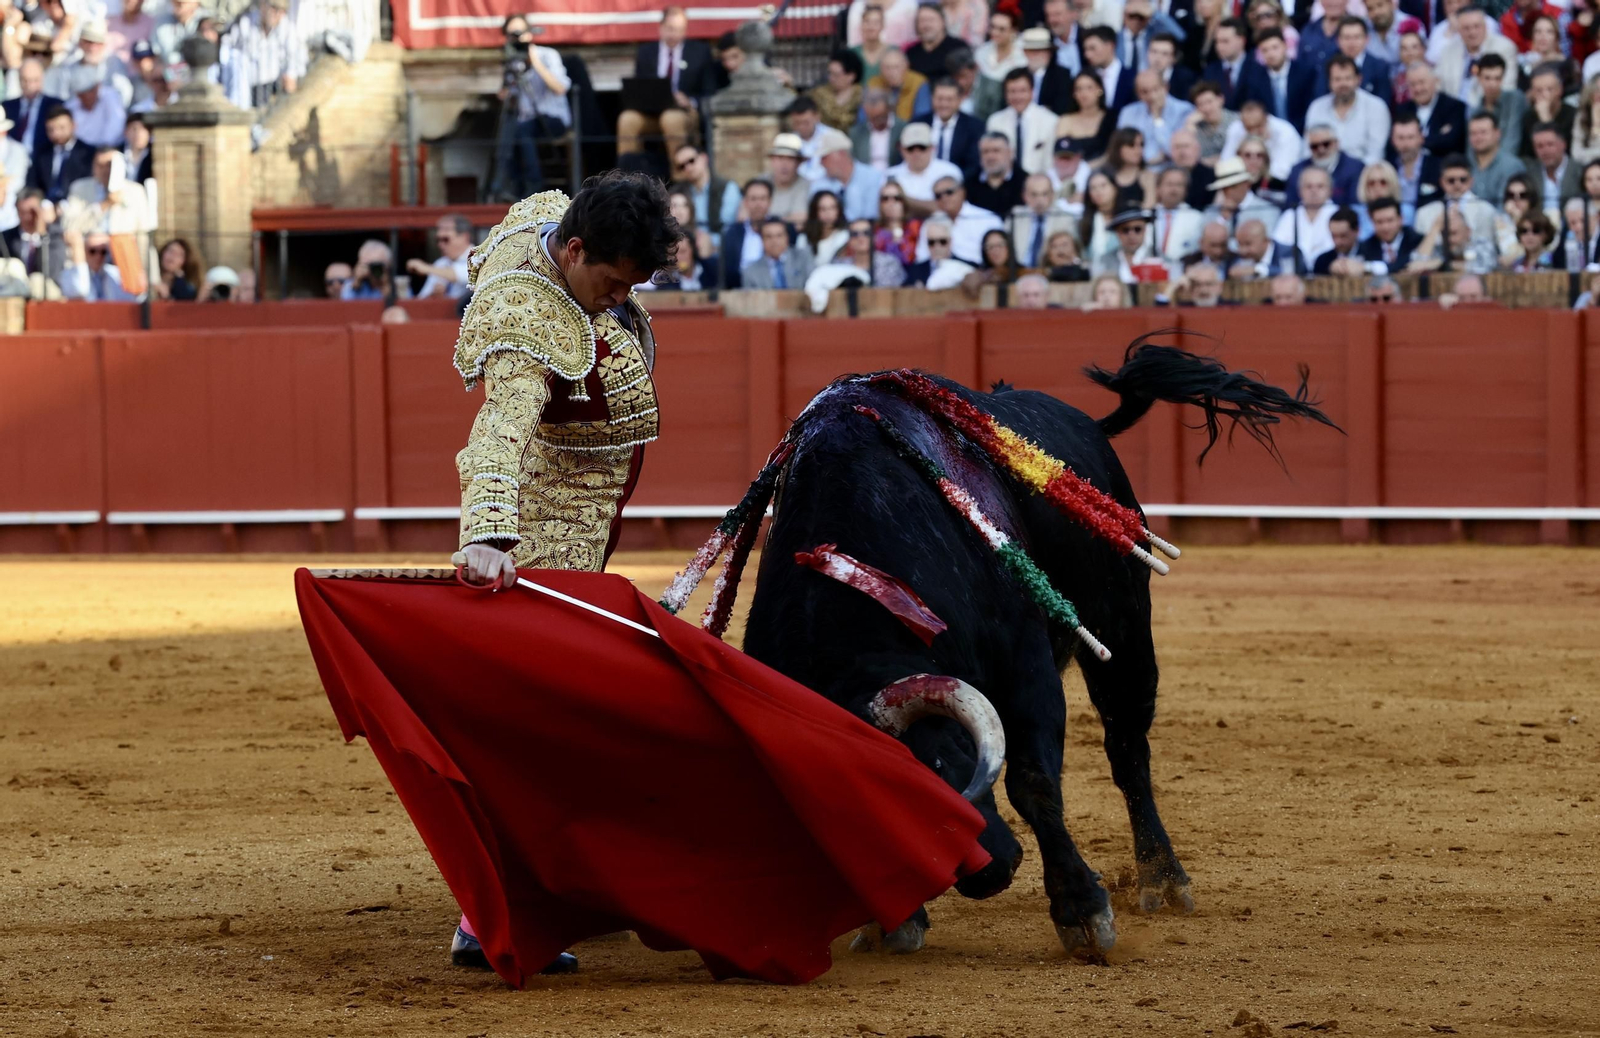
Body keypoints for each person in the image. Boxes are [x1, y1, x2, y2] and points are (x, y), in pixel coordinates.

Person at [448, 173, 679, 972]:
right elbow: (500, 430)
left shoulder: (552, 217)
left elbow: (536, 213)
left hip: (585, 519)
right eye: (611, 283)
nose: (617, 301)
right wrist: (487, 535)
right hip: (543, 533)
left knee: (556, 716)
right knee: (545, 721)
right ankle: (493, 915)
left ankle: (532, 891)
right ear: (574, 252)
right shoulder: (523, 317)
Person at [490, 14, 570, 203]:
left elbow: (560, 87)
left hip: (552, 118)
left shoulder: (547, 55)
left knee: (521, 129)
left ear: (530, 33)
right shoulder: (512, 60)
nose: (516, 38)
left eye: (519, 32)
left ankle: (534, 186)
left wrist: (535, 63)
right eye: (511, 34)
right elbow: (509, 97)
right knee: (509, 129)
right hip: (524, 121)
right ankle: (509, 187)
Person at [616, 7, 715, 160]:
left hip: (684, 113)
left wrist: (690, 101)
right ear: (660, 27)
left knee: (670, 118)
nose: (674, 34)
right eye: (670, 28)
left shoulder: (700, 52)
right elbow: (640, 87)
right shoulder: (646, 52)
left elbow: (709, 90)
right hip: (651, 113)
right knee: (627, 119)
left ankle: (680, 177)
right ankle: (628, 177)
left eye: (679, 30)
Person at [219, 0, 307, 110]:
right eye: (274, 8)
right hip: (244, 88)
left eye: (282, 10)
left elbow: (294, 59)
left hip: (272, 89)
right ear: (263, 5)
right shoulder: (246, 22)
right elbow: (228, 50)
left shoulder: (288, 29)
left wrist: (290, 75)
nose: (278, 14)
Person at [1304, 56, 1389, 166]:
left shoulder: (1376, 107)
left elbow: (1375, 155)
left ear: (1358, 79)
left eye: (1348, 78)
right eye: (1337, 79)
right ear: (1329, 82)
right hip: (1322, 174)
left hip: (1362, 174)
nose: (1343, 84)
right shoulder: (1317, 107)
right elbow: (1307, 150)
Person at [1435, 5, 1519, 99]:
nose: (1472, 32)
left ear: (1485, 27)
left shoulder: (1504, 48)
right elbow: (1438, 87)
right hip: (1453, 110)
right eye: (1466, 28)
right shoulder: (1448, 51)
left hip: (1488, 109)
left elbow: (1507, 89)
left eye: (1476, 26)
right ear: (1459, 30)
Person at [985, 67, 1057, 177]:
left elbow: (1050, 164)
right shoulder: (995, 121)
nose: (1017, 96)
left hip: (1038, 185)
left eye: (1022, 91)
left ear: (1032, 91)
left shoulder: (1050, 121)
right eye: (1012, 91)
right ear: (1005, 94)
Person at [916, 173, 1001, 264]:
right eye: (938, 195)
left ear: (962, 192)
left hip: (978, 273)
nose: (944, 198)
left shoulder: (987, 219)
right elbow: (922, 256)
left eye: (949, 192)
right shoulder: (931, 222)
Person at [1117, 70, 1194, 167]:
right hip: (1137, 169)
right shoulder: (1128, 113)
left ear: (1165, 87)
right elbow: (1122, 149)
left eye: (1156, 89)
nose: (1151, 96)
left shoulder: (1184, 110)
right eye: (1145, 92)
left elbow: (1174, 151)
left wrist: (1157, 118)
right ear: (1138, 94)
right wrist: (1148, 161)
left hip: (1172, 169)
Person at [885, 120, 963, 216]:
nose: (916, 154)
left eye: (922, 148)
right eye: (911, 148)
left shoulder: (949, 171)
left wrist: (903, 200)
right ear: (901, 149)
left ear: (932, 148)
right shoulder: (889, 175)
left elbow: (948, 208)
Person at [810, 129, 886, 222]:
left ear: (841, 154)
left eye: (824, 157)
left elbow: (871, 217)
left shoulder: (872, 177)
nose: (821, 163)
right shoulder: (820, 183)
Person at [1220, 96, 1301, 182]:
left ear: (1267, 119)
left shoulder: (1286, 133)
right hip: (1244, 182)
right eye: (1249, 128)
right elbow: (1225, 164)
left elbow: (1282, 172)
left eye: (1258, 127)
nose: (1254, 133)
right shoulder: (1236, 128)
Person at [671, 144, 740, 242]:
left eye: (691, 161)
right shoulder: (678, 192)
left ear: (704, 158)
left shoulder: (727, 188)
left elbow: (729, 228)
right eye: (682, 166)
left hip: (720, 251)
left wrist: (710, 242)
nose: (688, 168)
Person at [916, 76, 983, 176]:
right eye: (940, 98)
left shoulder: (974, 127)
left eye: (949, 99)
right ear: (932, 98)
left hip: (959, 184)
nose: (944, 104)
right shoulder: (918, 124)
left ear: (959, 100)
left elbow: (974, 165)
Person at [1283, 125, 1362, 209]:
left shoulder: (1355, 169)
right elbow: (1290, 206)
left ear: (1336, 143)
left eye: (1326, 144)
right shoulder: (1297, 171)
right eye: (1314, 146)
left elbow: (1355, 206)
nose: (1321, 150)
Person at [1274, 165, 1335, 272]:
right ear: (1299, 190)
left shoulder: (1338, 214)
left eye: (1320, 186)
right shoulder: (1289, 216)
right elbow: (1279, 249)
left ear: (1330, 190)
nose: (1314, 191)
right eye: (1309, 186)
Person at [1203, 17, 1271, 111]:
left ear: (1241, 41)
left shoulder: (1258, 70)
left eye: (1225, 41)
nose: (1219, 46)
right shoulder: (1210, 71)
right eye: (1217, 41)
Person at [28, 105, 92, 203]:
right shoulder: (42, 153)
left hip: (76, 204)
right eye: (51, 130)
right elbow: (33, 183)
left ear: (73, 126)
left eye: (61, 128)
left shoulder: (88, 154)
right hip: (45, 206)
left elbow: (87, 184)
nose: (56, 133)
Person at [1009, 172, 1073, 267]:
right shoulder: (1015, 216)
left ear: (1052, 195)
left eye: (1044, 194)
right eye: (1034, 195)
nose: (1039, 200)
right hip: (1019, 273)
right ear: (1025, 196)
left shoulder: (1065, 218)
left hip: (1052, 273)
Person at [1326, 16, 1392, 106]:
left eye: (1357, 37)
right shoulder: (1329, 65)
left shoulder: (1380, 67)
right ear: (1338, 40)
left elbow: (1384, 103)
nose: (1351, 43)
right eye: (1347, 37)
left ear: (1367, 39)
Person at [1204, 156, 1280, 233]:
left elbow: (1265, 242)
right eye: (1223, 188)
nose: (1227, 191)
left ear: (1246, 184)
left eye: (1233, 186)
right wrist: (1223, 218)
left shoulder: (1267, 210)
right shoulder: (1212, 212)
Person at [1470, 55, 1526, 157]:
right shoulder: (1475, 111)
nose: (1492, 84)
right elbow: (1472, 147)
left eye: (1497, 78)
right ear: (1479, 78)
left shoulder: (1515, 99)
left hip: (1510, 164)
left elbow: (1512, 140)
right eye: (1487, 78)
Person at [408, 214, 475, 299]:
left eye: (445, 239)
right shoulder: (440, 263)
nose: (440, 245)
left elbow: (464, 275)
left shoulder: (478, 258)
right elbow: (422, 298)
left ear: (464, 237)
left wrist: (426, 268)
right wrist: (435, 295)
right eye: (438, 240)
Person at [5, 58, 63, 155]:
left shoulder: (54, 106)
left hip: (41, 161)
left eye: (35, 80)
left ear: (42, 79)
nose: (30, 85)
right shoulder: (8, 107)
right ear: (19, 80)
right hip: (13, 161)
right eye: (25, 80)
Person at [59, 228, 136, 300]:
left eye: (103, 251)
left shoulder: (116, 274)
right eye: (92, 251)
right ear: (84, 251)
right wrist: (77, 249)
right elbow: (80, 290)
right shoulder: (68, 274)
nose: (98, 256)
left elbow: (130, 298)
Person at [1053, 71, 1113, 162]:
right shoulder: (1066, 120)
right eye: (1079, 89)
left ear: (1100, 90)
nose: (1084, 93)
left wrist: (1087, 169)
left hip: (1102, 171)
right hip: (1070, 172)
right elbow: (1060, 154)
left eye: (1089, 88)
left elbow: (1111, 153)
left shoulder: (1111, 118)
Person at [741, 216, 814, 288]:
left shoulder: (803, 259)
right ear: (762, 240)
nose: (774, 241)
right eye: (769, 236)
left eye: (779, 236)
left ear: (787, 238)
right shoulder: (751, 271)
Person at [1148, 165, 1203, 262]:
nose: (1174, 190)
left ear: (1186, 190)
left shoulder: (1197, 218)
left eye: (1179, 185)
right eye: (1169, 184)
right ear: (1158, 188)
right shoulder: (1145, 216)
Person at [905, 212, 976, 287]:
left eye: (942, 241)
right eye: (931, 242)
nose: (937, 247)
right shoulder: (916, 271)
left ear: (950, 242)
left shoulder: (966, 266)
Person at [965, 132, 1024, 216]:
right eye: (985, 152)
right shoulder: (968, 185)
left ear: (1010, 153)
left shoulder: (1025, 182)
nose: (990, 157)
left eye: (996, 151)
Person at [1358, 197, 1424, 273]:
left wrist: (1369, 267)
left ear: (1400, 219)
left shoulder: (1417, 241)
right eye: (1379, 222)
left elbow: (1411, 262)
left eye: (1390, 220)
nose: (1385, 227)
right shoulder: (1366, 247)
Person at [1094, 206, 1160, 281]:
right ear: (1117, 233)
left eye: (1137, 229)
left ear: (1145, 230)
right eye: (1125, 230)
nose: (1131, 236)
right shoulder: (1104, 261)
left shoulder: (1159, 258)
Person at [1525, 123, 1582, 209]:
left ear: (1563, 144)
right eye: (1539, 146)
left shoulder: (1580, 172)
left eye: (1550, 144)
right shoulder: (1530, 173)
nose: (1545, 151)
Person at [868, 46, 931, 124]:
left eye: (896, 67)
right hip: (880, 131)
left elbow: (922, 115)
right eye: (887, 68)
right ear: (881, 69)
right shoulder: (874, 84)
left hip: (909, 130)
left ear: (906, 66)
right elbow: (863, 116)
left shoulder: (919, 83)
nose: (892, 73)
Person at [1020, 25, 1073, 115]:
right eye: (1032, 51)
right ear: (1025, 52)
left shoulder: (1062, 76)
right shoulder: (1018, 75)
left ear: (1049, 53)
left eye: (1041, 50)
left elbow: (1063, 106)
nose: (1036, 55)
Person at [811, 49, 865, 132]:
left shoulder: (863, 97)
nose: (831, 78)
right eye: (830, 73)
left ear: (851, 76)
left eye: (836, 75)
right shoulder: (819, 94)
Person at [1080, 25, 1133, 110]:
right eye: (1085, 49)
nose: (1087, 55)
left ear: (1110, 46)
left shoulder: (1132, 77)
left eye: (1092, 48)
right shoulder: (1084, 77)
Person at [906, 3, 964, 80]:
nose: (926, 25)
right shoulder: (911, 53)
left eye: (931, 20)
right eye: (922, 21)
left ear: (943, 22)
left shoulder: (959, 48)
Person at [1184, 81, 1237, 164]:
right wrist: (1190, 125)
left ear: (1220, 99)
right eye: (1200, 104)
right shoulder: (1197, 127)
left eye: (1209, 102)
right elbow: (1190, 159)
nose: (1206, 108)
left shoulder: (1236, 121)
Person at [852, 88, 905, 171]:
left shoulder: (903, 129)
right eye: (873, 118)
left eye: (881, 116)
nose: (877, 121)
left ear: (889, 109)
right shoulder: (856, 133)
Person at [766, 133, 813, 226]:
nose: (784, 164)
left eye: (790, 159)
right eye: (780, 158)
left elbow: (800, 221)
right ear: (772, 160)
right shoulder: (761, 183)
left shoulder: (807, 186)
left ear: (799, 163)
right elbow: (743, 216)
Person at [341, 240, 406, 302]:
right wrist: (356, 283)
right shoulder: (352, 286)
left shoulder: (400, 285)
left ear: (388, 265)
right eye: (367, 266)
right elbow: (344, 306)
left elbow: (406, 306)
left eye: (377, 265)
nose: (372, 270)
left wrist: (386, 286)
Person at [976, 5, 1026, 85]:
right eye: (992, 27)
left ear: (1014, 31)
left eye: (1001, 29)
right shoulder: (981, 52)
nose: (995, 32)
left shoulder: (1023, 55)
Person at [874, 179, 921, 265]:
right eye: (885, 199)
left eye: (896, 198)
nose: (891, 203)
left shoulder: (916, 228)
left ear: (904, 202)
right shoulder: (874, 232)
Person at [1310, 206, 1364, 275]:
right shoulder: (1322, 260)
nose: (1338, 241)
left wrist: (1364, 267)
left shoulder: (1373, 251)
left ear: (1357, 231)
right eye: (1334, 236)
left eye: (1343, 236)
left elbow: (1380, 267)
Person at [802, 189, 850, 264]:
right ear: (814, 212)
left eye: (832, 208)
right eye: (823, 209)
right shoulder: (803, 239)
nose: (828, 213)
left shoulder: (845, 236)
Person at [853, 3, 893, 82]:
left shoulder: (893, 52)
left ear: (882, 26)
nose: (871, 27)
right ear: (861, 25)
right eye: (867, 22)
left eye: (876, 22)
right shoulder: (852, 54)